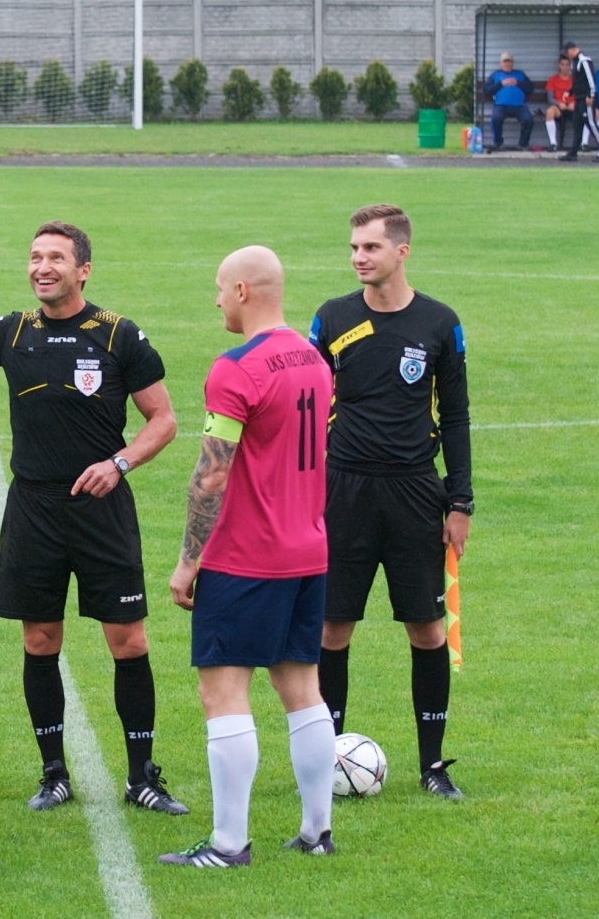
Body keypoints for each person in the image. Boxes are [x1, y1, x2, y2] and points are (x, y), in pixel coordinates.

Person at [0, 222, 187, 815]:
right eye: (35, 256)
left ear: (82, 269)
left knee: (129, 640)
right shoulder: (12, 330)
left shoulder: (119, 334)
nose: (42, 267)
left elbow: (164, 420)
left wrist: (120, 461)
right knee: (39, 639)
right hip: (34, 507)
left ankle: (142, 775)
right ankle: (53, 772)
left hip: (102, 509)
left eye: (56, 258)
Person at [157, 246, 337, 869]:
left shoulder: (236, 368)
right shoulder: (314, 358)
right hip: (308, 551)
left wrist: (187, 561)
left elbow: (211, 476)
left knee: (223, 695)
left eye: (217, 289)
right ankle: (317, 831)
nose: (214, 301)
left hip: (246, 558)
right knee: (303, 689)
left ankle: (230, 844)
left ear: (241, 290)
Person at [310, 204, 472, 801]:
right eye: (354, 247)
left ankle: (433, 766)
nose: (358, 257)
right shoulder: (330, 319)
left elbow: (454, 416)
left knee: (426, 629)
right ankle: (322, 761)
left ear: (401, 252)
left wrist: (461, 502)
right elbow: (308, 408)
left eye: (370, 248)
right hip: (344, 492)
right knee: (333, 627)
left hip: (414, 492)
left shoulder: (438, 323)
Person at [558, 42, 599, 162]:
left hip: (587, 99)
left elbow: (590, 79)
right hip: (578, 99)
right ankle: (573, 153)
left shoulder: (584, 61)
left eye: (567, 51)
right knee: (577, 125)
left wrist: (591, 95)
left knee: (591, 124)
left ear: (574, 49)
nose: (566, 54)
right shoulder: (575, 63)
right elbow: (577, 82)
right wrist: (570, 92)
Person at [482, 52, 533, 150]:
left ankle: (523, 144)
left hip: (519, 106)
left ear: (512, 63)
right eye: (505, 62)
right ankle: (499, 144)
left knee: (528, 120)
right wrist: (501, 84)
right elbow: (486, 90)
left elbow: (530, 88)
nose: (507, 64)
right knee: (496, 119)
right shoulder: (495, 75)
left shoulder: (520, 74)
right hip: (501, 106)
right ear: (500, 63)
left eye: (509, 62)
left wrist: (517, 83)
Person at [541, 55, 575, 151]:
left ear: (570, 66)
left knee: (586, 113)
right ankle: (553, 143)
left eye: (567, 65)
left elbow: (581, 95)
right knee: (549, 112)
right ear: (559, 66)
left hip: (573, 107)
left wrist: (575, 103)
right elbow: (550, 97)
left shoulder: (575, 80)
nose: (565, 67)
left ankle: (584, 143)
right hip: (559, 107)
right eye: (562, 64)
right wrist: (558, 103)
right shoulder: (553, 79)